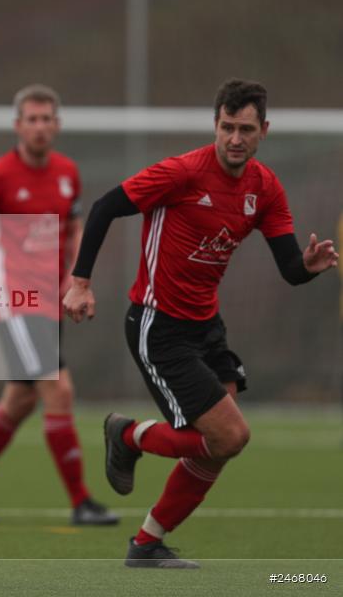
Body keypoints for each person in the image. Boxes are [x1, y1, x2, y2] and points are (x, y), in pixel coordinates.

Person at [63, 78, 339, 568]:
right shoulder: (183, 172)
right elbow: (106, 207)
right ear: (216, 125)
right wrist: (81, 281)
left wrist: (309, 267)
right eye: (227, 127)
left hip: (207, 327)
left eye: (246, 129)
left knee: (218, 446)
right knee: (230, 437)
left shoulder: (265, 188)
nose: (235, 138)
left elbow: (290, 268)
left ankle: (146, 544)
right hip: (158, 325)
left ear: (263, 131)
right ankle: (128, 436)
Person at [0, 85, 118, 526]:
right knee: (58, 389)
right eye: (31, 119)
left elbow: (76, 232)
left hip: (51, 303)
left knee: (19, 401)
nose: (39, 126)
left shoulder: (68, 173)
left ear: (57, 125)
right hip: (15, 302)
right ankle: (82, 502)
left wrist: (79, 282)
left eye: (47, 118)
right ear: (18, 126)